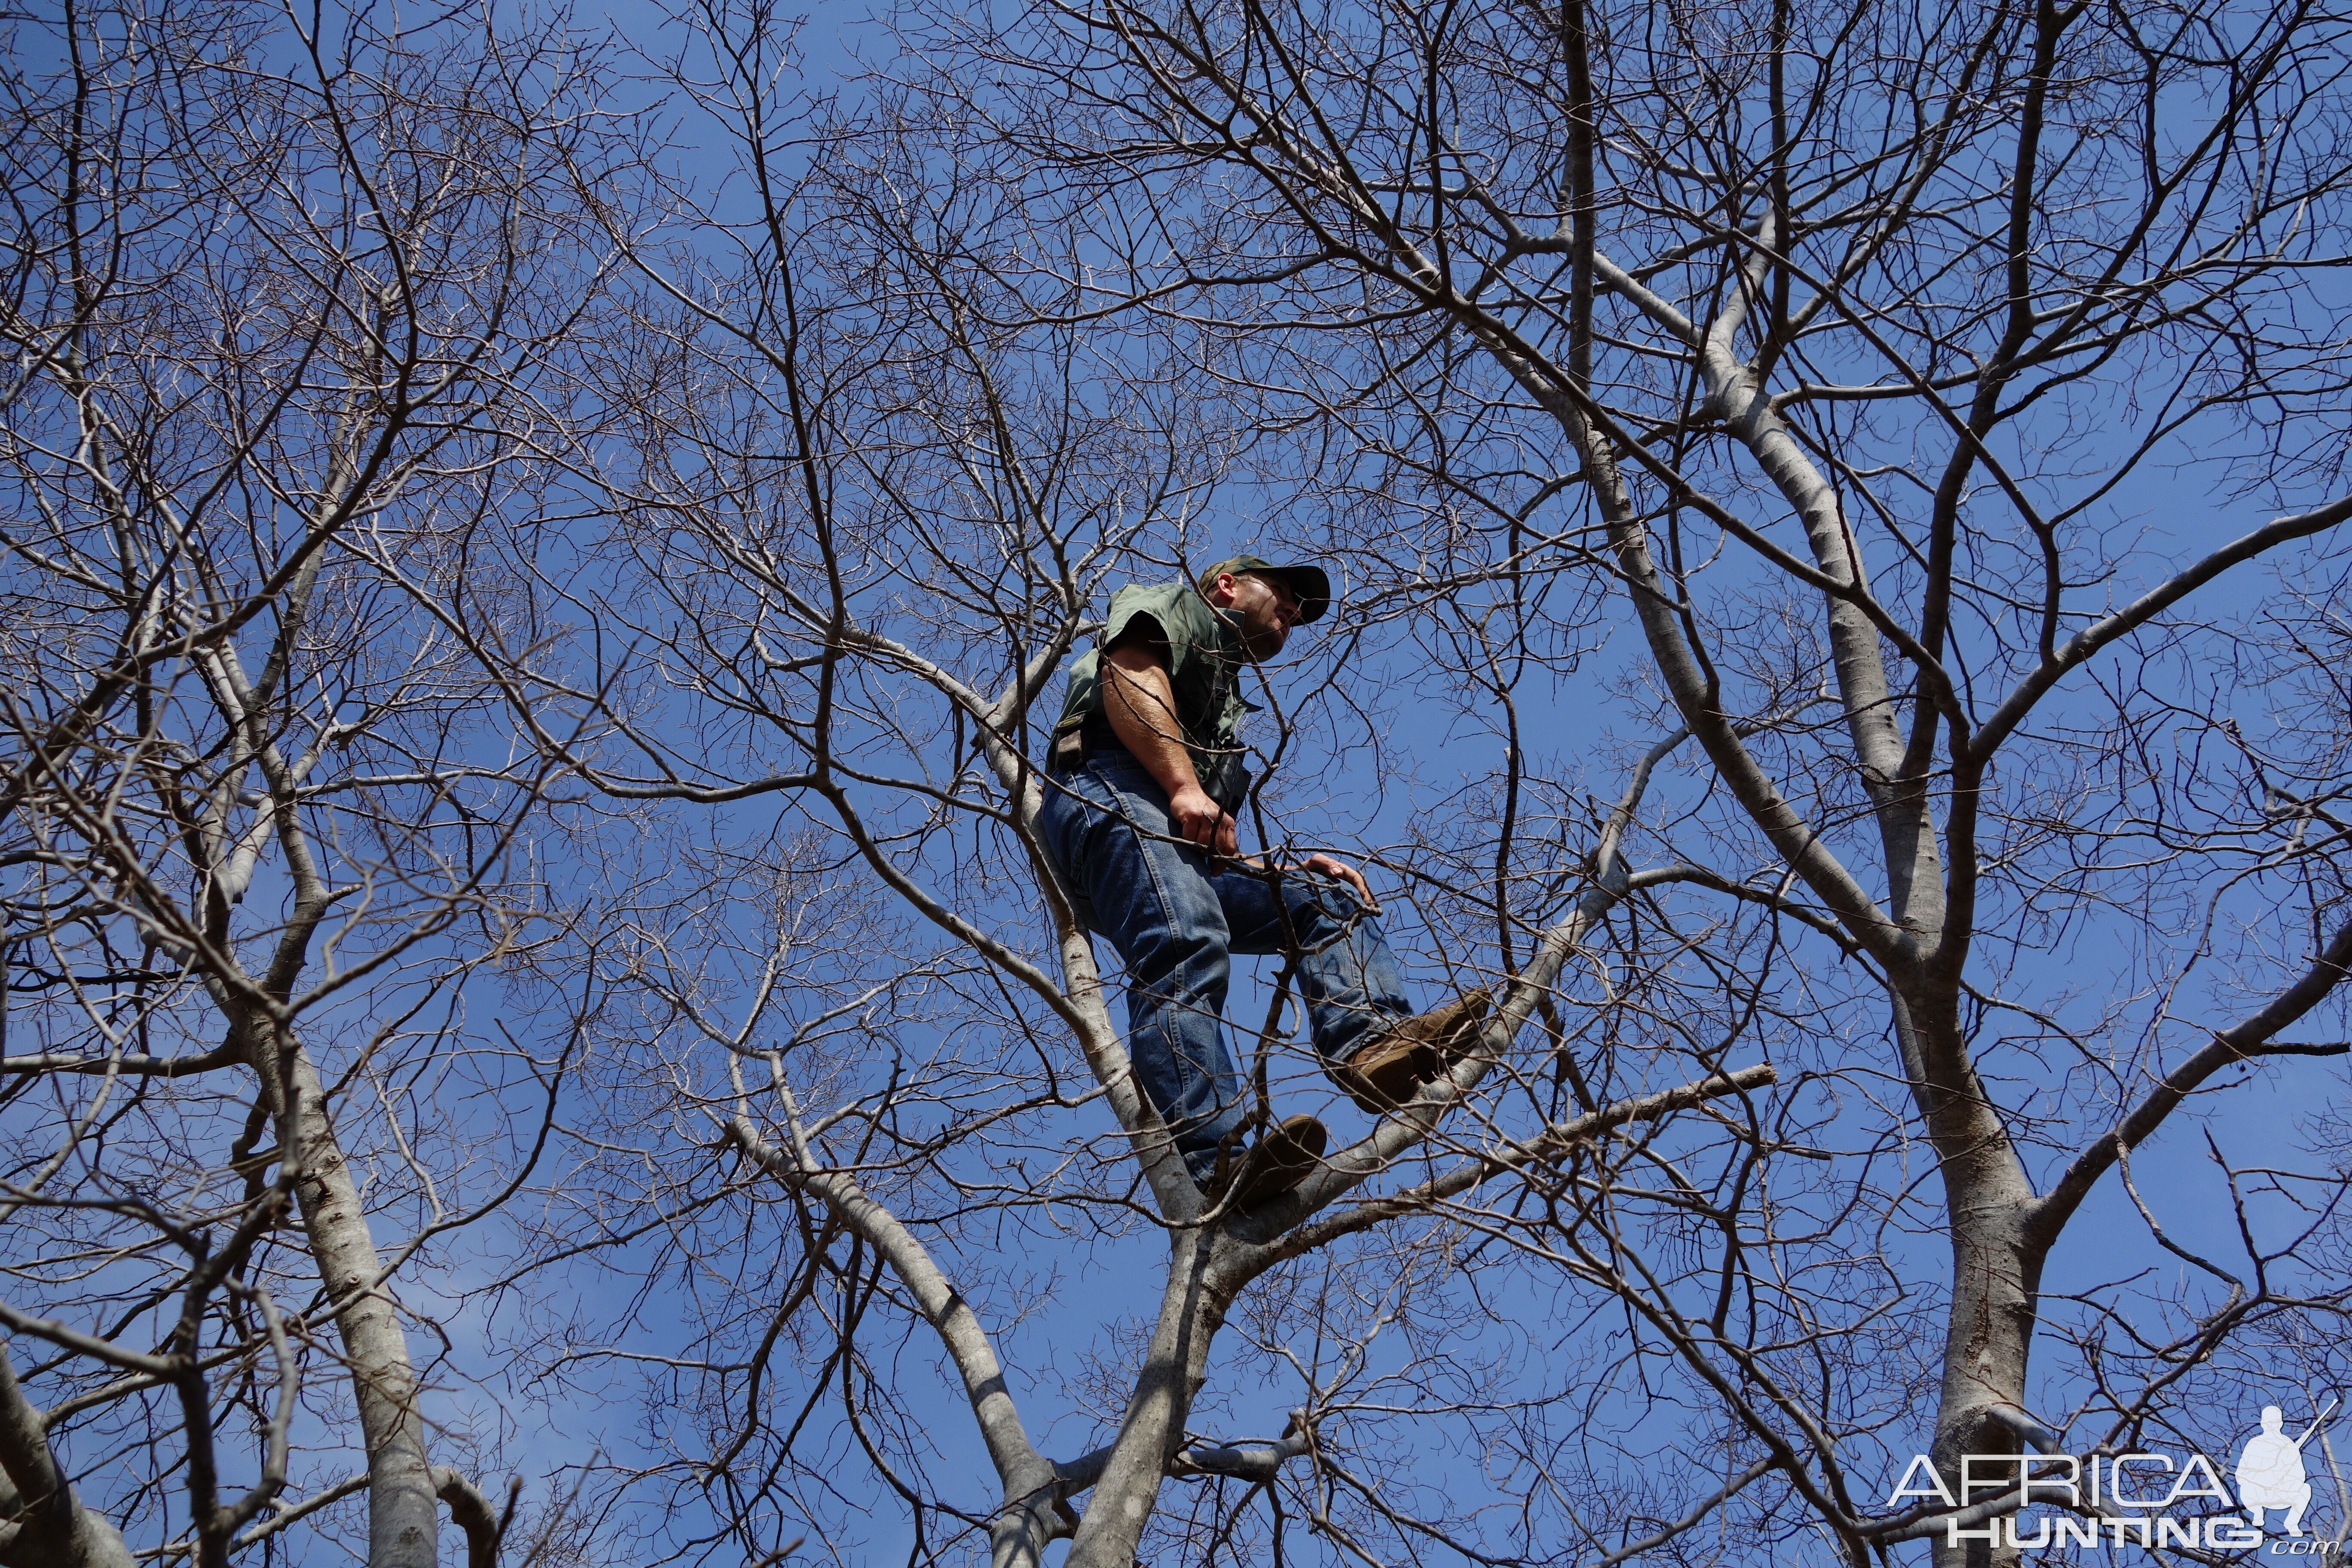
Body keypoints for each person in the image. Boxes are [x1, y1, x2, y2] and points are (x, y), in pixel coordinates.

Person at [1039, 554, 1489, 1208]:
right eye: (1283, 593)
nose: (1296, 611)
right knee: (1183, 939)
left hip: (1165, 837)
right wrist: (1188, 786)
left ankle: (1370, 1044)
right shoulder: (1175, 606)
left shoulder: (1225, 713)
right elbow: (1129, 677)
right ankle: (1216, 1156)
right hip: (1106, 788)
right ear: (1227, 586)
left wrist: (1269, 874)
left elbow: (1202, 851)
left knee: (1324, 899)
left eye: (1301, 608)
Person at [2236, 1405, 2313, 1534]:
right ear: (2263, 1423)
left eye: (2275, 1422)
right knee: (2245, 1488)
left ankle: (2292, 1523)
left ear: (2281, 1423)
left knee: (2305, 1489)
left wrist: (2287, 1478)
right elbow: (2240, 1474)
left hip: (2283, 1493)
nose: (2271, 1425)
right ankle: (2258, 1513)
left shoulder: (2289, 1445)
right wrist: (2261, 1478)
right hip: (2259, 1494)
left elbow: (2301, 1474)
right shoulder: (2255, 1444)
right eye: (2268, 1422)